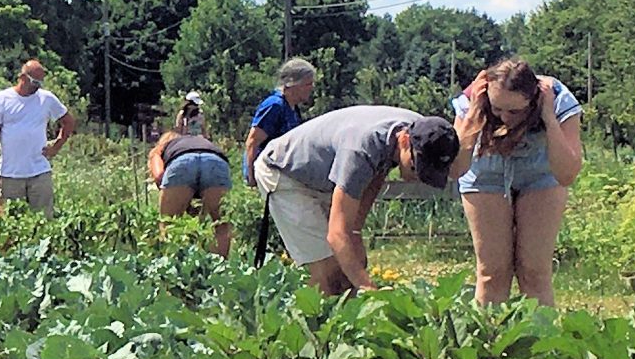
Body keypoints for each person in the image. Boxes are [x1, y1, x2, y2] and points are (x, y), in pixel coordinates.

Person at [253, 105, 468, 294]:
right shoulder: (361, 149)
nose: (417, 176)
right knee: (330, 274)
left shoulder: (422, 131)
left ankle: (348, 330)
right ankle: (319, 332)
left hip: (323, 178)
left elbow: (375, 175)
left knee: (352, 264)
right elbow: (337, 234)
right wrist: (369, 290)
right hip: (285, 173)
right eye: (416, 167)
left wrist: (355, 232)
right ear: (404, 140)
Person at [453, 56, 584, 305]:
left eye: (514, 111)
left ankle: (541, 341)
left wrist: (548, 117)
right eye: (497, 109)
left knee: (535, 272)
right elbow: (456, 169)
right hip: (484, 173)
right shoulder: (471, 98)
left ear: (532, 99)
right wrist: (473, 116)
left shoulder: (558, 98)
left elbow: (567, 174)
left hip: (541, 173)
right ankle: (489, 340)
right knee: (492, 273)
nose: (504, 118)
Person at [147, 92, 235, 253]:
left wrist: (164, 184)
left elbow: (157, 168)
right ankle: (221, 267)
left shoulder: (166, 144)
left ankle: (170, 265)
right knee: (221, 224)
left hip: (182, 161)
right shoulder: (201, 137)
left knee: (169, 223)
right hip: (215, 159)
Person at [0, 59, 73, 216]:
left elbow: (68, 121)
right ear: (22, 78)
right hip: (11, 175)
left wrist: (57, 145)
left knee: (45, 220)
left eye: (40, 83)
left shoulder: (47, 99)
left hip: (40, 172)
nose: (37, 86)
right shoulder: (1, 99)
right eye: (35, 82)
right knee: (13, 224)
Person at [243, 57, 318, 183]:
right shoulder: (275, 106)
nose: (311, 88)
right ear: (293, 84)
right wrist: (251, 176)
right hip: (268, 172)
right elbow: (253, 141)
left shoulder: (293, 109)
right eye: (307, 84)